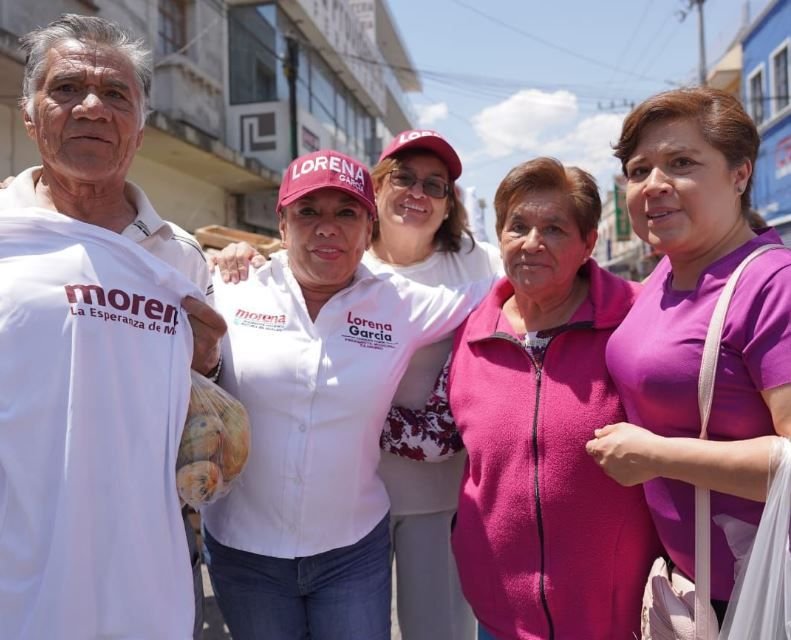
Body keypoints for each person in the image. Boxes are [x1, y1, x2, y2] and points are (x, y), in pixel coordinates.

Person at [212, 130, 499, 640]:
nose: (328, 228)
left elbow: (519, 278)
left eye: (346, 213)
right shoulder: (231, 290)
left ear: (368, 228)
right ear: (281, 222)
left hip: (352, 548)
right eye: (308, 212)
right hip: (244, 547)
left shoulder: (401, 301)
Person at [0, 14, 225, 638]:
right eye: (66, 89)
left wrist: (205, 363)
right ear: (30, 114)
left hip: (149, 587)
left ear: (140, 125)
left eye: (116, 93)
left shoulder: (178, 257)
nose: (93, 107)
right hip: (19, 586)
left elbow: (205, 407)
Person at [382, 157, 661, 640]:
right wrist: (331, 407)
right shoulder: (473, 328)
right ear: (500, 237)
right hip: (500, 618)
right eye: (518, 227)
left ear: (588, 243)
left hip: (619, 618)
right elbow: (439, 435)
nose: (533, 243)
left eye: (554, 228)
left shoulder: (639, 317)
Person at [586, 87, 791, 626]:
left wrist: (656, 455)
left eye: (681, 163)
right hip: (691, 585)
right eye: (639, 169)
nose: (654, 185)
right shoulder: (664, 272)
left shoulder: (774, 286)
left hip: (762, 593)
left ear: (740, 174)